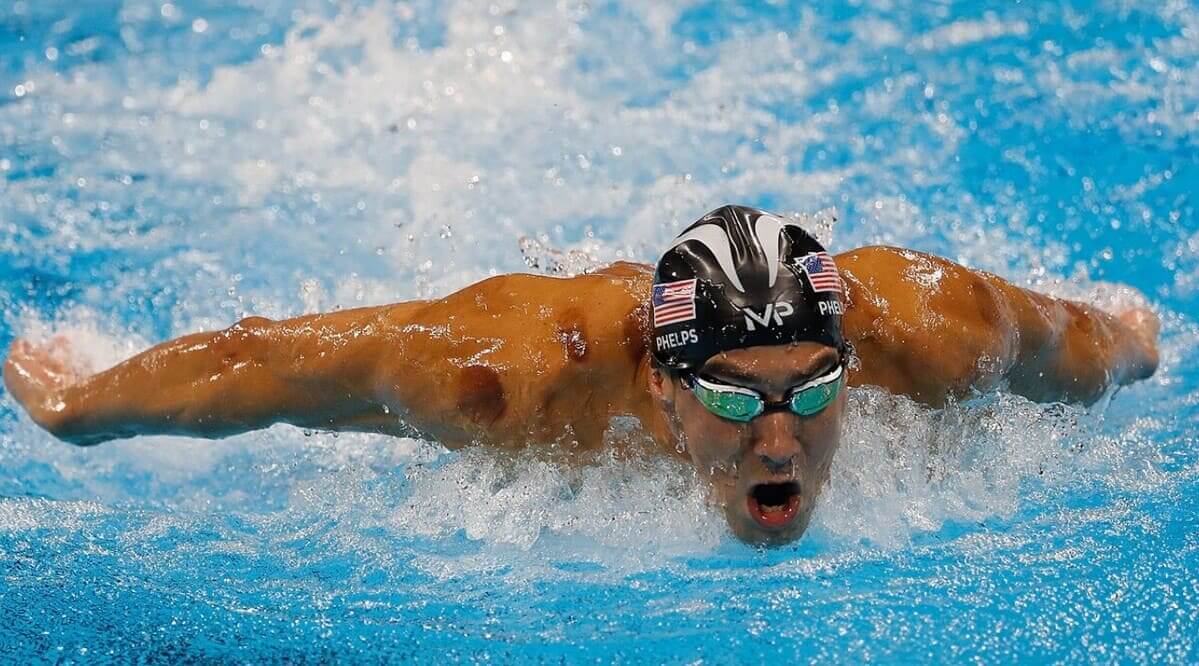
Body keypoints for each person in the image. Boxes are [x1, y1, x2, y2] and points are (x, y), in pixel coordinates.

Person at [3, 205, 1160, 544]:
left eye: (812, 390)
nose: (775, 440)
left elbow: (1088, 343)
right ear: (659, 386)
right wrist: (77, 408)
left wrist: (1137, 339)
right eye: (727, 395)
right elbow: (264, 364)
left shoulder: (938, 333)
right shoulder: (504, 381)